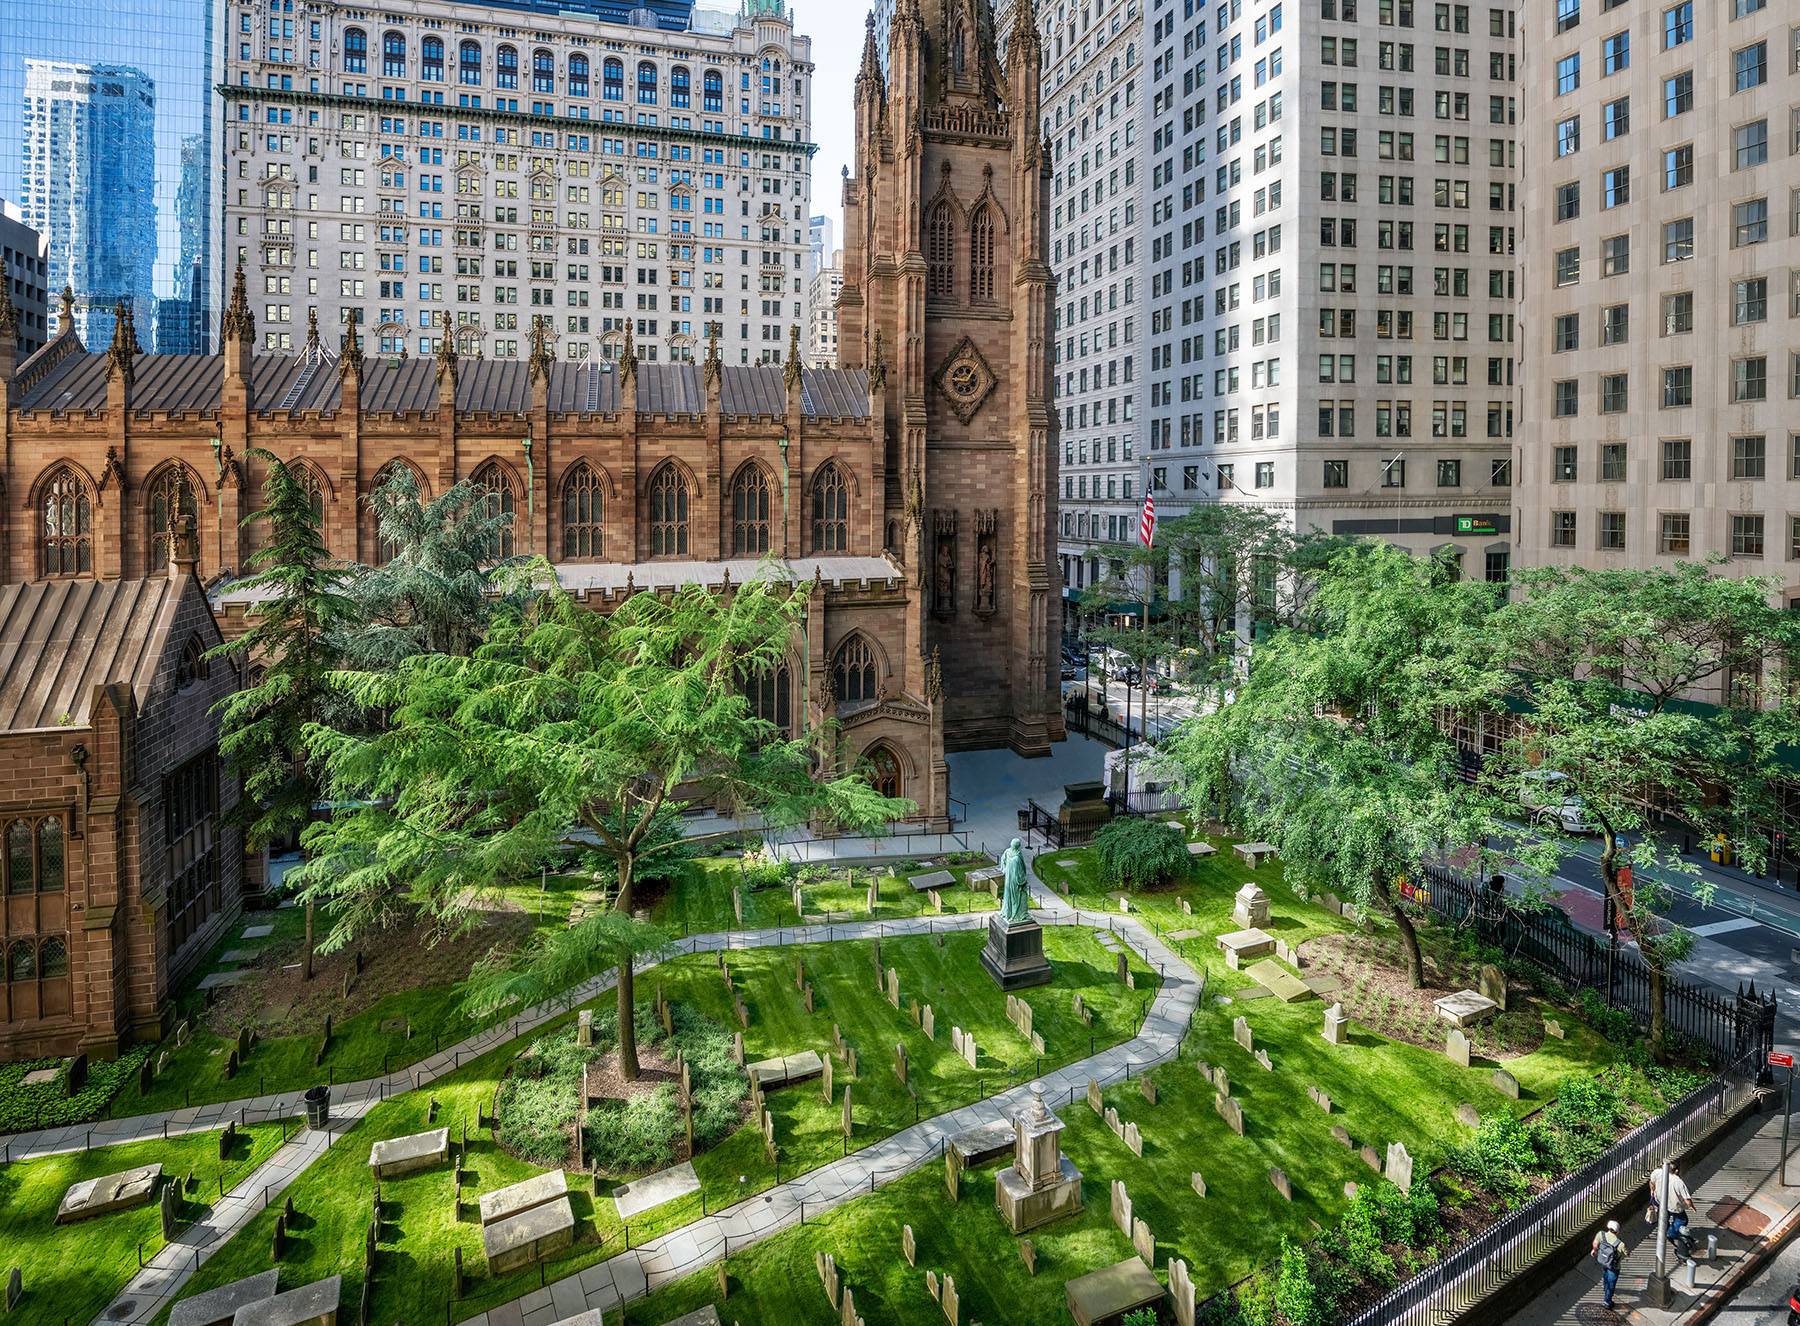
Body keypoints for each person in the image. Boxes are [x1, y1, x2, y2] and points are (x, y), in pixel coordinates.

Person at [1648, 1161, 1693, 1251]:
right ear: (1676, 1171)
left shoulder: (1656, 1172)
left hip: (1661, 1200)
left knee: (1664, 1217)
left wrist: (1652, 1191)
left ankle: (1664, 1229)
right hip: (1674, 1205)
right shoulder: (1678, 1181)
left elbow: (1651, 1183)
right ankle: (1670, 1233)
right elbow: (1687, 1199)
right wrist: (1692, 1206)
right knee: (1682, 1220)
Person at [1591, 1219, 1624, 1307]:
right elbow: (1626, 1253)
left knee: (1605, 1275)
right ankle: (1607, 1301)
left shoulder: (1601, 1234)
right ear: (1617, 1231)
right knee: (1611, 1282)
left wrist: (1594, 1251)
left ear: (1608, 1228)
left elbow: (1595, 1243)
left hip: (1603, 1261)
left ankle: (1606, 1290)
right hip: (1614, 1266)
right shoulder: (1620, 1244)